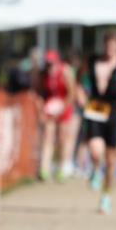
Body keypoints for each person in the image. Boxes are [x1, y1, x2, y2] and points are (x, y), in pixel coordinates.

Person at [78, 30, 116, 214]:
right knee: (96, 151)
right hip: (95, 108)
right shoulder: (93, 60)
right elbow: (78, 80)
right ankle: (96, 169)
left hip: (114, 112)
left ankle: (106, 197)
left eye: (114, 44)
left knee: (111, 159)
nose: (110, 48)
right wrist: (81, 98)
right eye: (108, 44)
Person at [38, 50, 78, 181]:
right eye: (47, 64)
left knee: (62, 138)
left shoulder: (66, 71)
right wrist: (42, 110)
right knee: (48, 137)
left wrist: (62, 107)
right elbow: (39, 93)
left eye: (51, 64)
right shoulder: (43, 74)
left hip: (64, 107)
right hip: (49, 108)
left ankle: (62, 167)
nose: (49, 67)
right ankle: (44, 169)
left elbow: (72, 93)